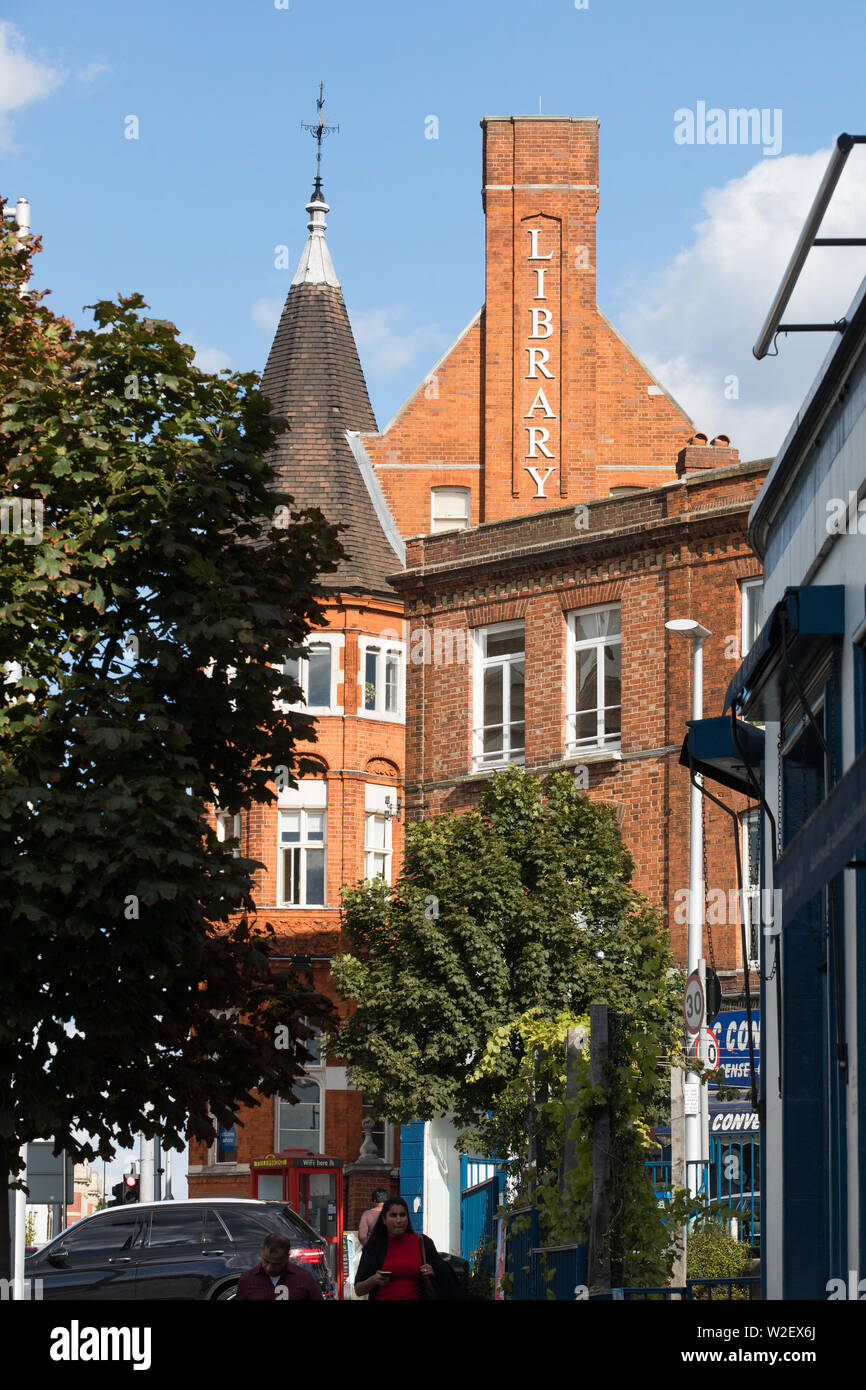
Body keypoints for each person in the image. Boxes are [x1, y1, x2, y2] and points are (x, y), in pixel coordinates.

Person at [354, 1195, 461, 1300]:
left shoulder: (422, 1243)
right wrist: (373, 1280)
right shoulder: (373, 1247)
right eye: (393, 1215)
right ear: (384, 1219)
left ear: (407, 1218)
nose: (398, 1220)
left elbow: (446, 1274)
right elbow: (358, 1290)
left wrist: (434, 1270)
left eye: (402, 1215)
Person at [235, 1232, 325, 1300]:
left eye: (276, 1264)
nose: (269, 1268)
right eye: (266, 1261)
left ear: (287, 1256)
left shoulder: (304, 1278)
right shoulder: (247, 1279)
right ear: (262, 1251)